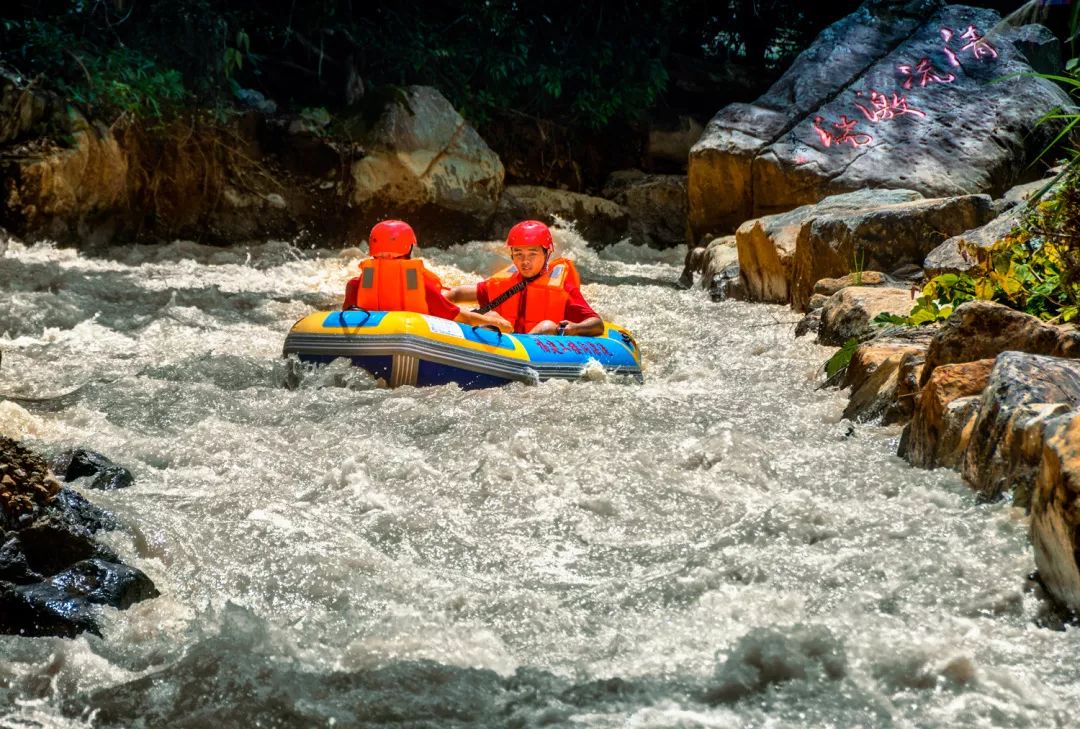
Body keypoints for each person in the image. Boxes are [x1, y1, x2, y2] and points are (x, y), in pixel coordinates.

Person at [343, 220, 511, 331]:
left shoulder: (355, 285)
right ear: (409, 248)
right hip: (415, 339)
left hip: (370, 337)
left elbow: (346, 318)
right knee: (491, 316)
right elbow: (460, 317)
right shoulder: (420, 286)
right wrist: (494, 322)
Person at [447, 220, 604, 336]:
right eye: (518, 254)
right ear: (512, 256)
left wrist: (574, 328)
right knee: (490, 316)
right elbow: (457, 294)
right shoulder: (502, 284)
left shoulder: (564, 291)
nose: (525, 261)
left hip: (536, 349)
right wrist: (434, 300)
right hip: (504, 343)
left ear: (547, 253)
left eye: (532, 254)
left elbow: (597, 324)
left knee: (547, 326)